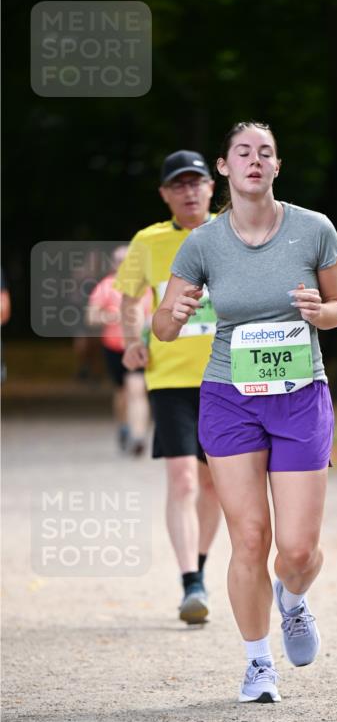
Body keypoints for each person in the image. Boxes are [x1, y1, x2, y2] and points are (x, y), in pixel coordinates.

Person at [153, 121, 337, 703]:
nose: (255, 160)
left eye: (266, 152)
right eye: (244, 152)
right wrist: (178, 311)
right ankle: (257, 662)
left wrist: (322, 312)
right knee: (250, 538)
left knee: (296, 551)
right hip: (228, 396)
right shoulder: (203, 243)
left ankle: (292, 600)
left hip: (299, 395)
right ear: (225, 167)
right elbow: (162, 328)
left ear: (277, 167)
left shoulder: (314, 229)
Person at [115, 151, 223, 623]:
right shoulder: (149, 241)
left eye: (197, 182)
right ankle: (190, 583)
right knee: (181, 478)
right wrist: (130, 342)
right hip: (171, 377)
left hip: (228, 376)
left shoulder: (234, 230)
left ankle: (198, 566)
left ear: (211, 187)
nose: (189, 191)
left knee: (214, 484)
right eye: (178, 184)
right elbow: (130, 296)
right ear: (165, 194)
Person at [86, 245, 152, 454]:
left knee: (137, 389)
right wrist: (110, 317)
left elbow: (157, 312)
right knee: (122, 393)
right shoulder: (106, 286)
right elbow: (91, 317)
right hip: (114, 347)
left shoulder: (146, 285)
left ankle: (139, 436)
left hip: (139, 345)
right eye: (119, 260)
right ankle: (124, 427)